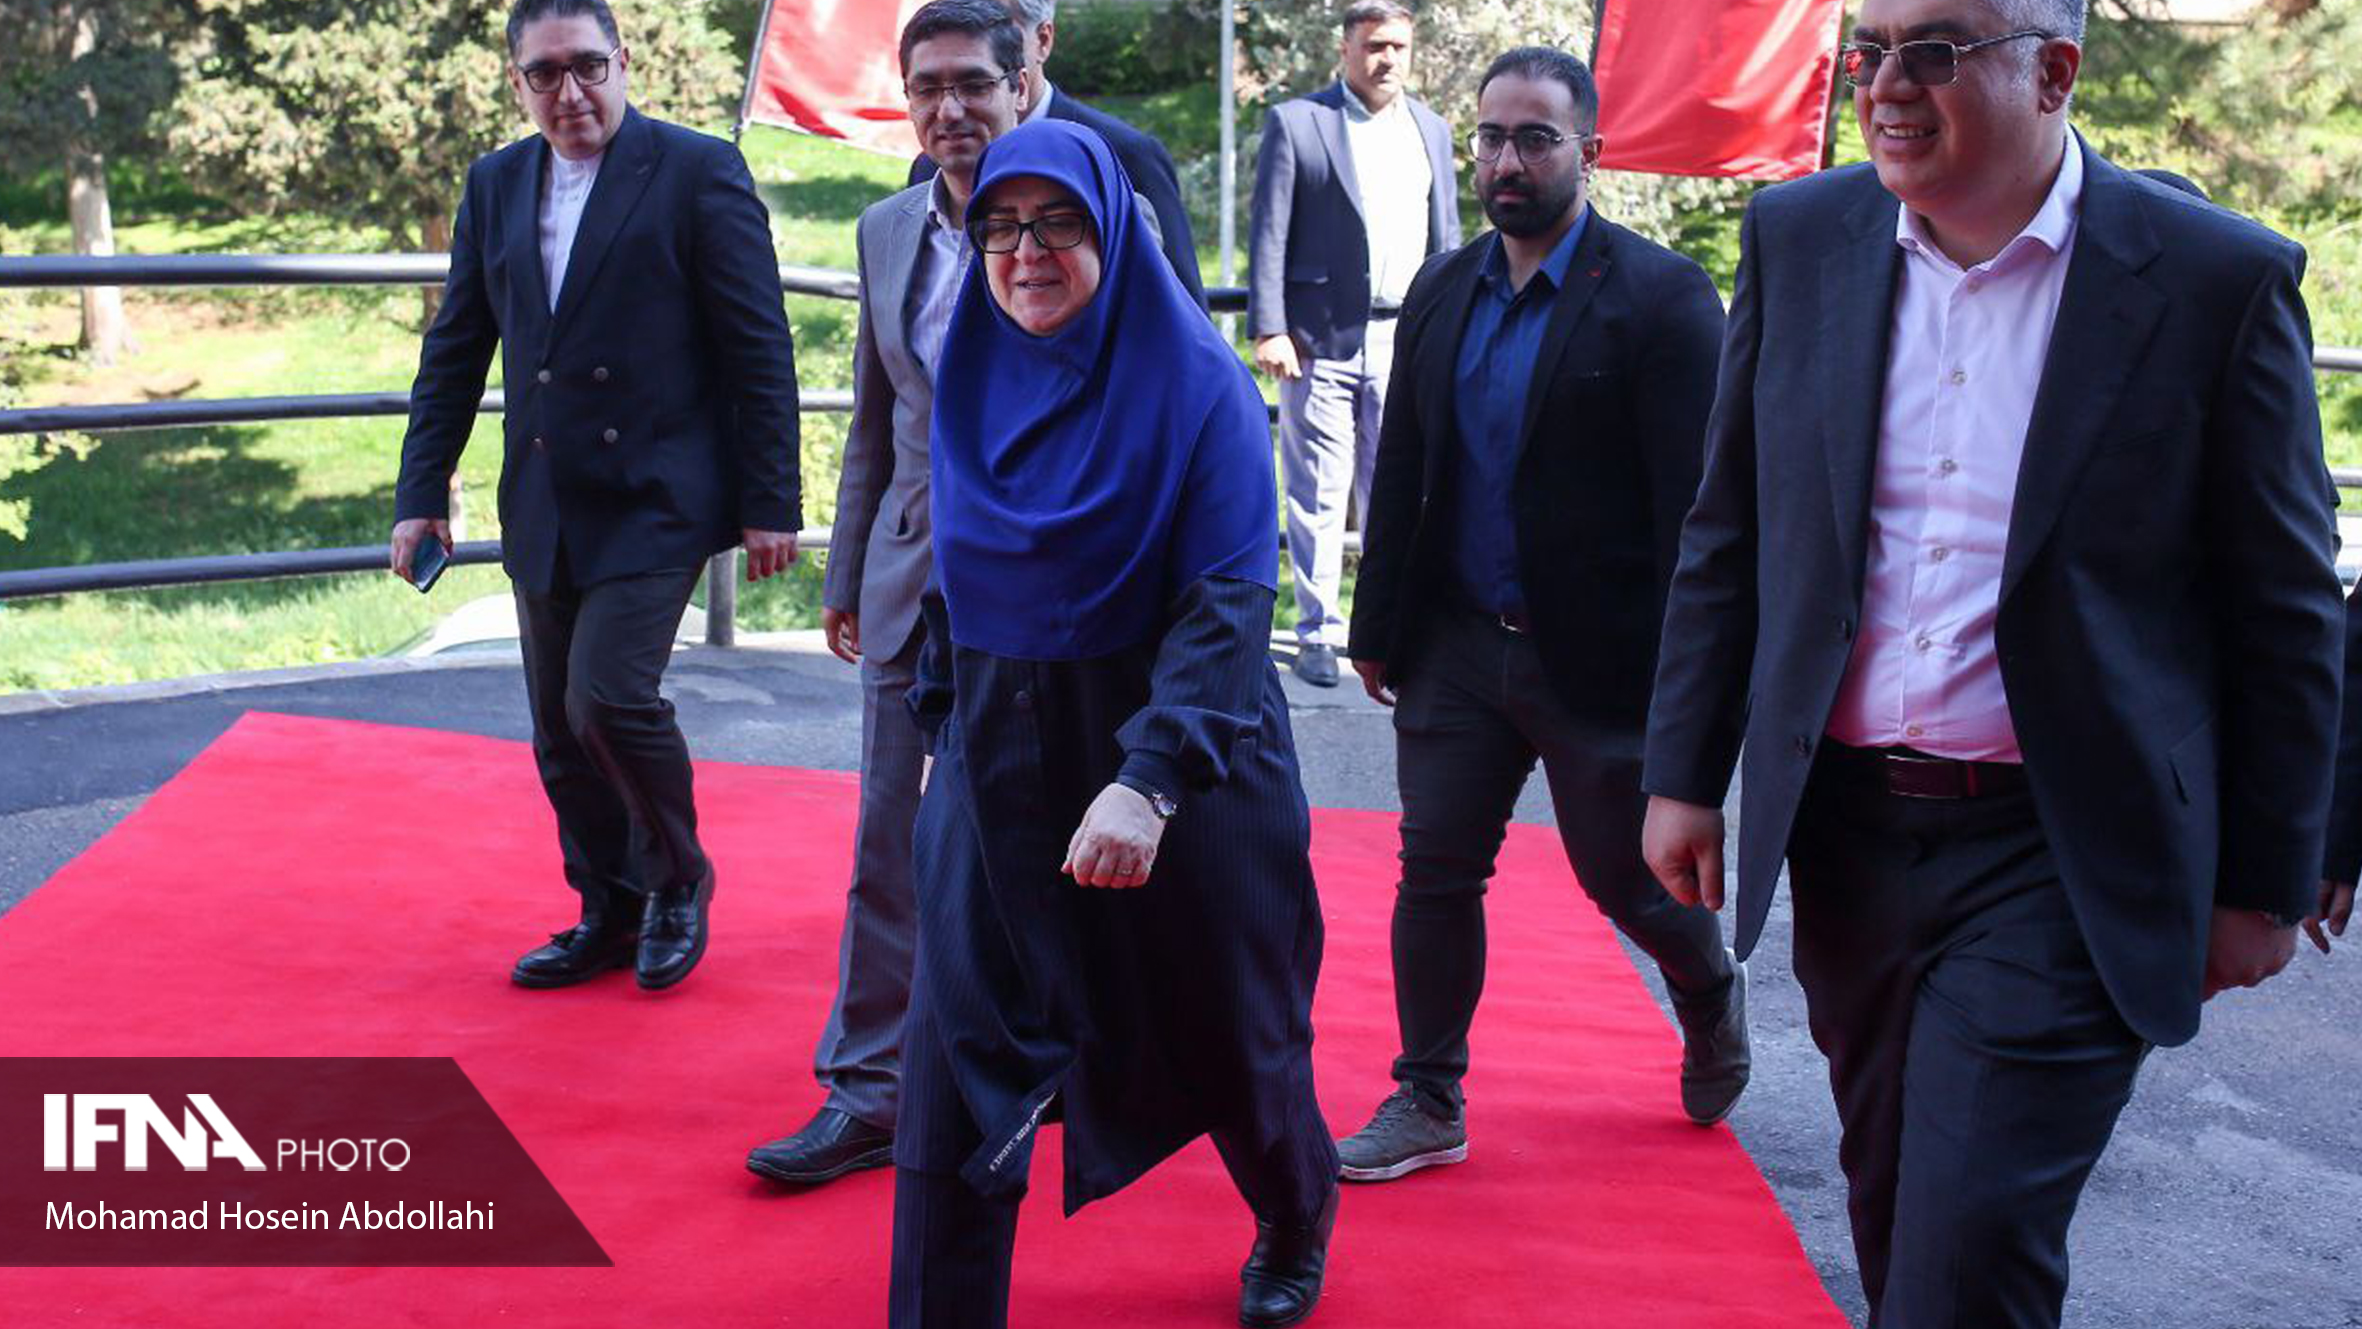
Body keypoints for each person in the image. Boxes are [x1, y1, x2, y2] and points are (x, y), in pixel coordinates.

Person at [1638, 2, 2343, 1324]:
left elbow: (2286, 608)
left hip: (2064, 849)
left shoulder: (2212, 280)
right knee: (1892, 1208)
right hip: (1846, 833)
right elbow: (1729, 527)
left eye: (1935, 51)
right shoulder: (1800, 237)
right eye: (1869, 51)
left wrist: (2265, 877)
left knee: (1963, 1256)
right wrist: (1681, 770)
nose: (1886, 86)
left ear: (2053, 71)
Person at [889, 119, 1338, 1329]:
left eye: (1058, 225)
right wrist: (942, 731)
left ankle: (1294, 1208)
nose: (1024, 253)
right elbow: (954, 580)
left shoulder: (1198, 388)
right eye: (999, 225)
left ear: (1114, 233)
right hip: (998, 755)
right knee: (954, 1055)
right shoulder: (972, 369)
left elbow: (1228, 605)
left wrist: (1148, 782)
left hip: (1180, 758)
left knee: (1232, 1033)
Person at [747, 0, 1168, 1189]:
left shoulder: (1101, 208)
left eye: (971, 85)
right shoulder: (887, 229)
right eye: (925, 87)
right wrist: (846, 568)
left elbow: (1154, 397)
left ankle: (1083, 1072)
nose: (948, 110)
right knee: (890, 845)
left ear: (1021, 83)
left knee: (1054, 846)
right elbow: (875, 416)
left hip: (1059, 591)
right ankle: (869, 1090)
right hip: (911, 581)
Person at [1333, 46, 1746, 1184]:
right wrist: (1379, 624)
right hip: (1458, 646)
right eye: (1490, 138)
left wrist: (1691, 683)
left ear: (1589, 153)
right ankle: (1427, 1095)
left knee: (1626, 879)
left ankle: (1707, 985)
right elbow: (1406, 464)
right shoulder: (1442, 288)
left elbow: (1700, 514)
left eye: (1534, 139)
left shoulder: (1662, 299)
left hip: (1601, 660)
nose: (1506, 162)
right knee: (1435, 868)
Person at [390, 0, 800, 993]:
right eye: (545, 73)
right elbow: (455, 351)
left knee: (607, 697)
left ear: (622, 62)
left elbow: (758, 346)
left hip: (658, 493)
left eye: (586, 66)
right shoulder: (495, 183)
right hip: (545, 492)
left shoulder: (697, 170)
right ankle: (608, 910)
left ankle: (677, 881)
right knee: (557, 729)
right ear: (518, 81)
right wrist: (421, 491)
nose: (569, 92)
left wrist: (771, 499)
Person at [1249, 0, 1459, 688]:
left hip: (1407, 339)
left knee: (1399, 491)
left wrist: (1453, 328)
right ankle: (1319, 631)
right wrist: (1270, 326)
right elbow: (1270, 229)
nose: (1387, 58)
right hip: (1318, 340)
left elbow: (1448, 238)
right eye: (1374, 45)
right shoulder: (1299, 122)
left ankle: (1390, 626)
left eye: (1397, 46)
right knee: (1317, 492)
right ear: (1345, 49)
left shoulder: (1431, 129)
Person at [908, 0, 1204, 307]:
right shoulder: (930, 169)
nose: (950, 110)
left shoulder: (1123, 156)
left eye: (996, 24)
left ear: (1043, 40)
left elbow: (1183, 313)